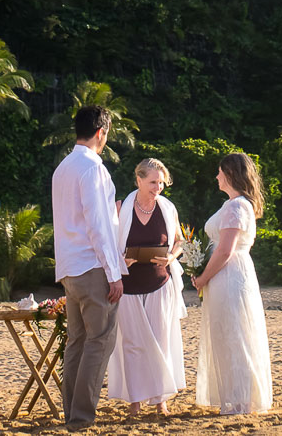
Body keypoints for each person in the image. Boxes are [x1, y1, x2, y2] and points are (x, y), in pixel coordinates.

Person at [50, 105, 126, 430]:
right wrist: (114, 272)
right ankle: (81, 417)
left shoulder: (62, 168)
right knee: (101, 339)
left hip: (69, 266)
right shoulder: (93, 168)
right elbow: (98, 225)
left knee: (77, 341)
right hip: (92, 265)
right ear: (100, 133)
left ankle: (72, 413)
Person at [190, 152, 273, 415]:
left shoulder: (236, 206)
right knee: (228, 334)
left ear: (230, 174)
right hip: (227, 274)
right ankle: (235, 397)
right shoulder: (234, 204)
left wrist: (203, 278)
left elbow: (225, 250)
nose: (216, 176)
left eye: (219, 171)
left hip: (230, 274)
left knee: (235, 335)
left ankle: (241, 400)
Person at [105, 157, 187, 415]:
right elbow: (106, 244)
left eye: (161, 183)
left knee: (160, 341)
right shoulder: (120, 208)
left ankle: (160, 400)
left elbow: (179, 241)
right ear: (138, 180)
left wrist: (170, 257)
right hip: (128, 287)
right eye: (153, 182)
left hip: (159, 283)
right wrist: (121, 260)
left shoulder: (168, 208)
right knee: (132, 345)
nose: (158, 188)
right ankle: (135, 401)